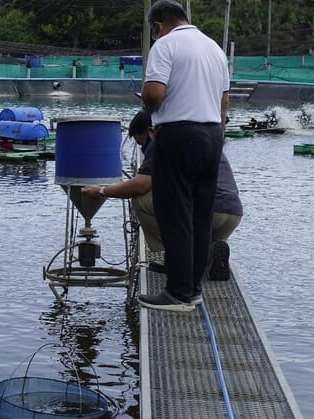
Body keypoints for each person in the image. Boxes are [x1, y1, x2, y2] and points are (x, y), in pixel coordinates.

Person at [139, 0, 230, 312]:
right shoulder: (214, 49)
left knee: (175, 213)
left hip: (178, 135)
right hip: (212, 135)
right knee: (200, 215)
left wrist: (148, 109)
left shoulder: (165, 45)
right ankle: (192, 289)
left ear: (157, 25)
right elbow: (224, 101)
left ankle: (177, 294)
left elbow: (154, 93)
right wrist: (214, 132)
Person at [81, 110, 242, 281]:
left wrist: (101, 191)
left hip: (207, 211)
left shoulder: (163, 141)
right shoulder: (204, 137)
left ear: (151, 131)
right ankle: (214, 249)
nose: (144, 149)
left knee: (140, 201)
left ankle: (170, 258)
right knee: (195, 228)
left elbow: (140, 186)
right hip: (232, 213)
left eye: (142, 143)